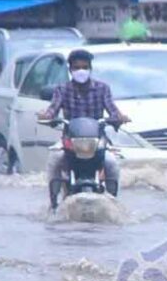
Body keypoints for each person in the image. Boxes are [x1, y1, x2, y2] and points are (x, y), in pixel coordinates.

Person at [39, 49, 129, 201]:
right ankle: (53, 203)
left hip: (97, 141)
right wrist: (46, 116)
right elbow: (52, 110)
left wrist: (119, 117)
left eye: (85, 67)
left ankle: (113, 202)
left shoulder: (102, 89)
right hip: (70, 141)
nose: (81, 71)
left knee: (112, 163)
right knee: (54, 160)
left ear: (90, 69)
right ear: (70, 70)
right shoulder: (62, 89)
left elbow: (112, 110)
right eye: (77, 67)